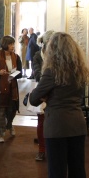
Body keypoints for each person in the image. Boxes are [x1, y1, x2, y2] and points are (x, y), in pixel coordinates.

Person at [28, 32, 88, 178]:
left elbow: (34, 99)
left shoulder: (52, 71)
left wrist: (46, 96)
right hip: (78, 124)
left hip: (57, 127)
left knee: (57, 175)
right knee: (78, 171)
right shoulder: (81, 69)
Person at [32, 30, 52, 161]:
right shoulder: (38, 56)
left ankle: (50, 146)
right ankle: (41, 150)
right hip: (42, 88)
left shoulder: (59, 56)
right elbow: (37, 73)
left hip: (54, 91)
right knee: (41, 121)